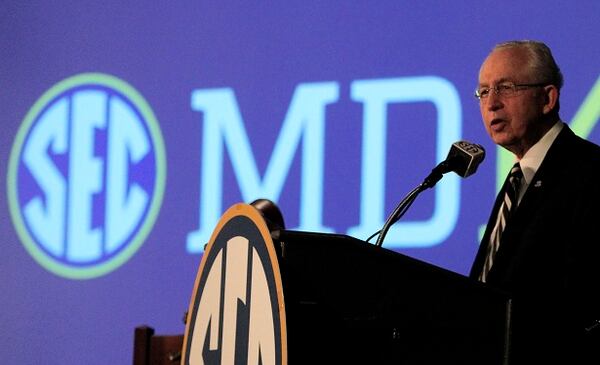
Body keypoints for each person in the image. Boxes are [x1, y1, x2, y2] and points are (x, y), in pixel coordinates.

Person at [469, 40, 600, 364]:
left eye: (506, 87)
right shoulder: (518, 180)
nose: (492, 104)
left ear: (547, 98)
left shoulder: (589, 171)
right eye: (483, 92)